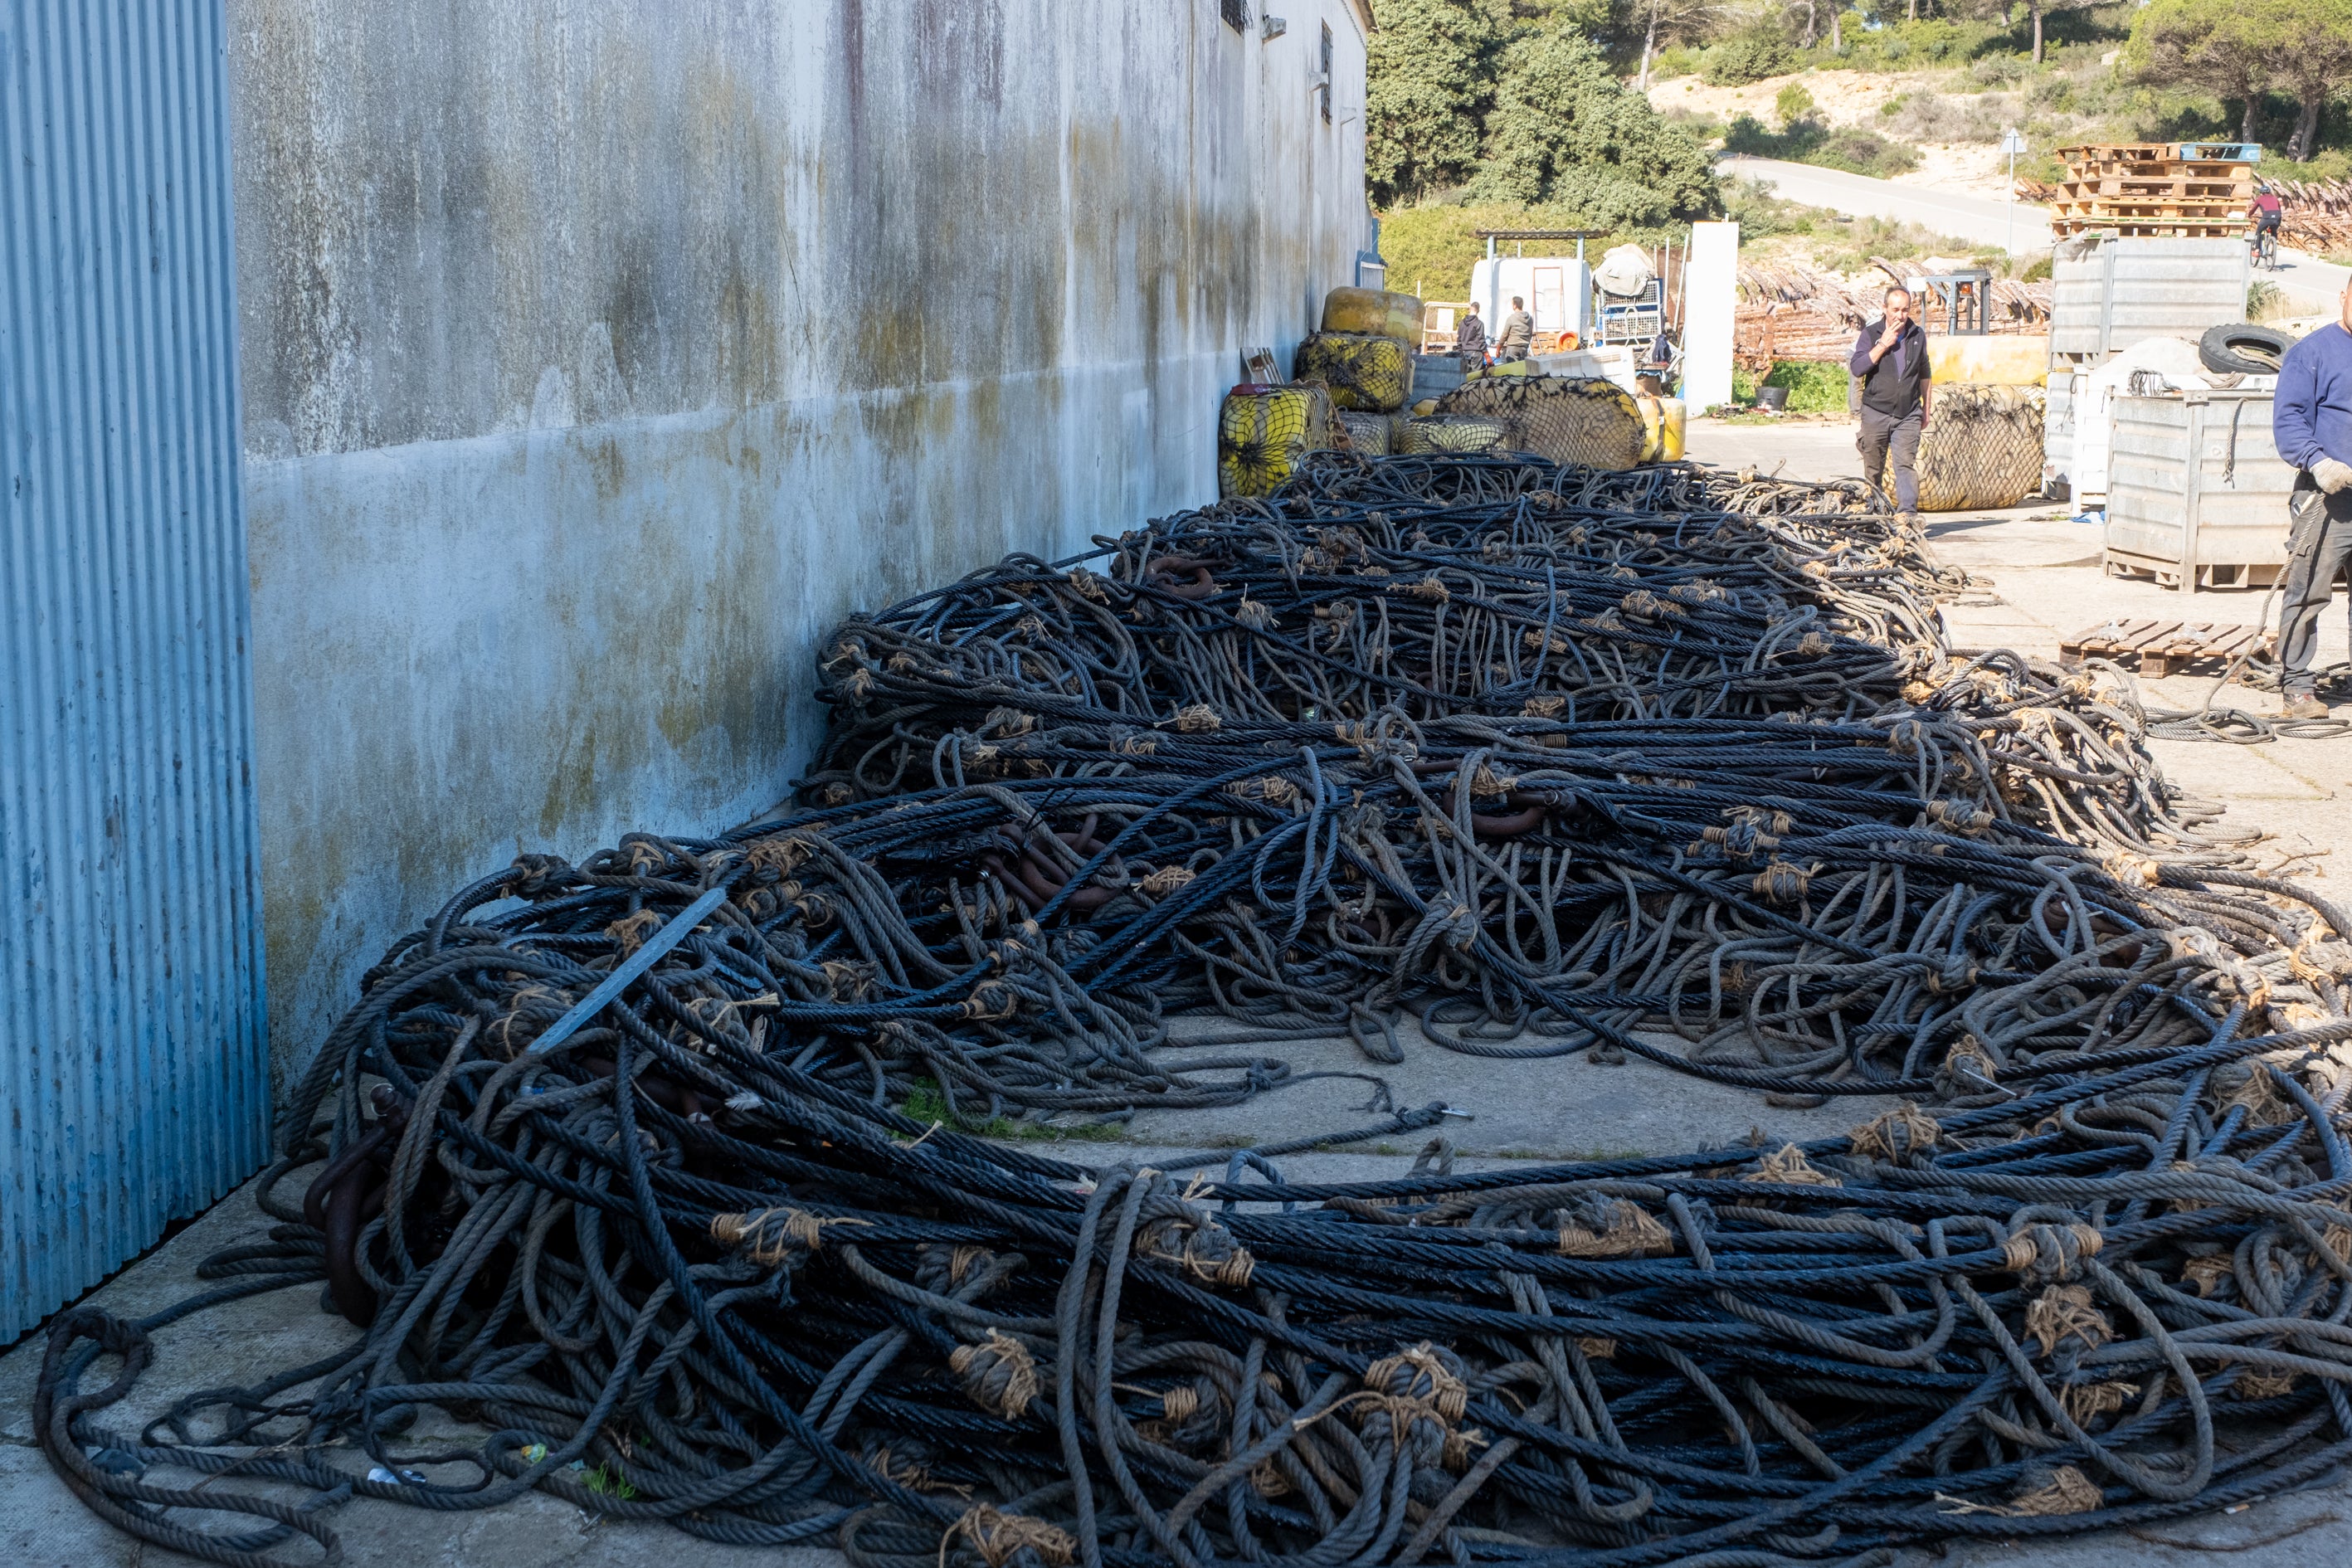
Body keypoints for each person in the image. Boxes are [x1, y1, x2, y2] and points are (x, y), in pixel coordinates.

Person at [2270, 280, 2352, 718]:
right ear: (2343, 295)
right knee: (2308, 592)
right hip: (2328, 497)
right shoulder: (2312, 353)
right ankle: (2297, 686)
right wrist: (2318, 462)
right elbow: (2289, 419)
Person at [1847, 285, 1932, 520]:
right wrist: (1883, 344)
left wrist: (1926, 409)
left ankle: (1907, 516)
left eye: (1905, 310)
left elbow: (1925, 372)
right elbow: (1857, 368)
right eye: (1895, 309)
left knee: (1905, 465)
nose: (1900, 315)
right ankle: (1875, 513)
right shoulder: (1871, 334)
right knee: (1873, 468)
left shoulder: (1917, 335)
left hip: (1908, 413)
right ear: (1884, 308)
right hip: (1876, 411)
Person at [1495, 296, 1534, 363]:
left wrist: (1498, 348)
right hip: (1524, 349)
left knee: (1512, 371)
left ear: (1515, 306)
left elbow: (1504, 335)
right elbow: (1530, 334)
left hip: (1512, 349)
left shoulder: (1511, 318)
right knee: (1521, 370)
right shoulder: (1530, 319)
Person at [2251, 189, 2283, 264]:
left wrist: (2249, 215)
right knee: (2273, 230)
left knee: (2259, 231)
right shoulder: (2275, 198)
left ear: (2262, 193)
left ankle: (2257, 250)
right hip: (2277, 217)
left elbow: (2253, 209)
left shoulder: (2260, 199)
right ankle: (2273, 247)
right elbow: (2279, 208)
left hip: (2267, 217)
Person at [1455, 303, 1487, 373]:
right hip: (1476, 354)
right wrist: (1486, 355)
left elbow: (1459, 340)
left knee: (1465, 377)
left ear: (1470, 309)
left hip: (1465, 353)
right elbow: (1481, 340)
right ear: (1478, 311)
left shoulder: (1461, 323)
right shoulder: (1479, 324)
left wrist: (1460, 353)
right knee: (1475, 378)